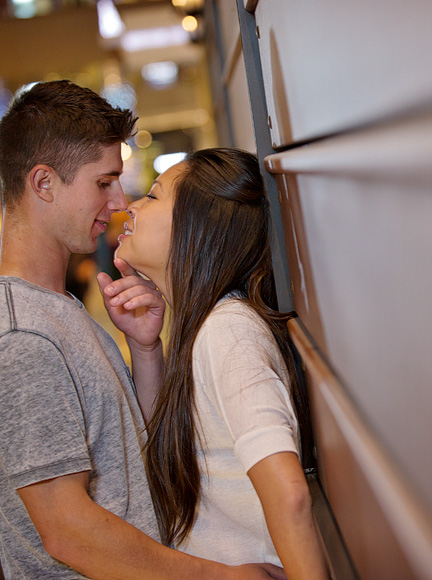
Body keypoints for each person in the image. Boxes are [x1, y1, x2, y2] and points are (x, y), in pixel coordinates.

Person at [0, 81, 283, 580]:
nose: (120, 201)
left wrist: (145, 349)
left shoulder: (56, 307)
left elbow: (136, 452)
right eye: (104, 182)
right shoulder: (17, 337)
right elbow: (67, 528)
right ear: (43, 183)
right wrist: (224, 577)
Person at [100, 148, 329, 579]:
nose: (129, 206)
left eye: (152, 196)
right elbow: (178, 451)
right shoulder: (208, 326)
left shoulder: (228, 332)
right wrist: (147, 349)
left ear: (196, 224)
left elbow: (290, 495)